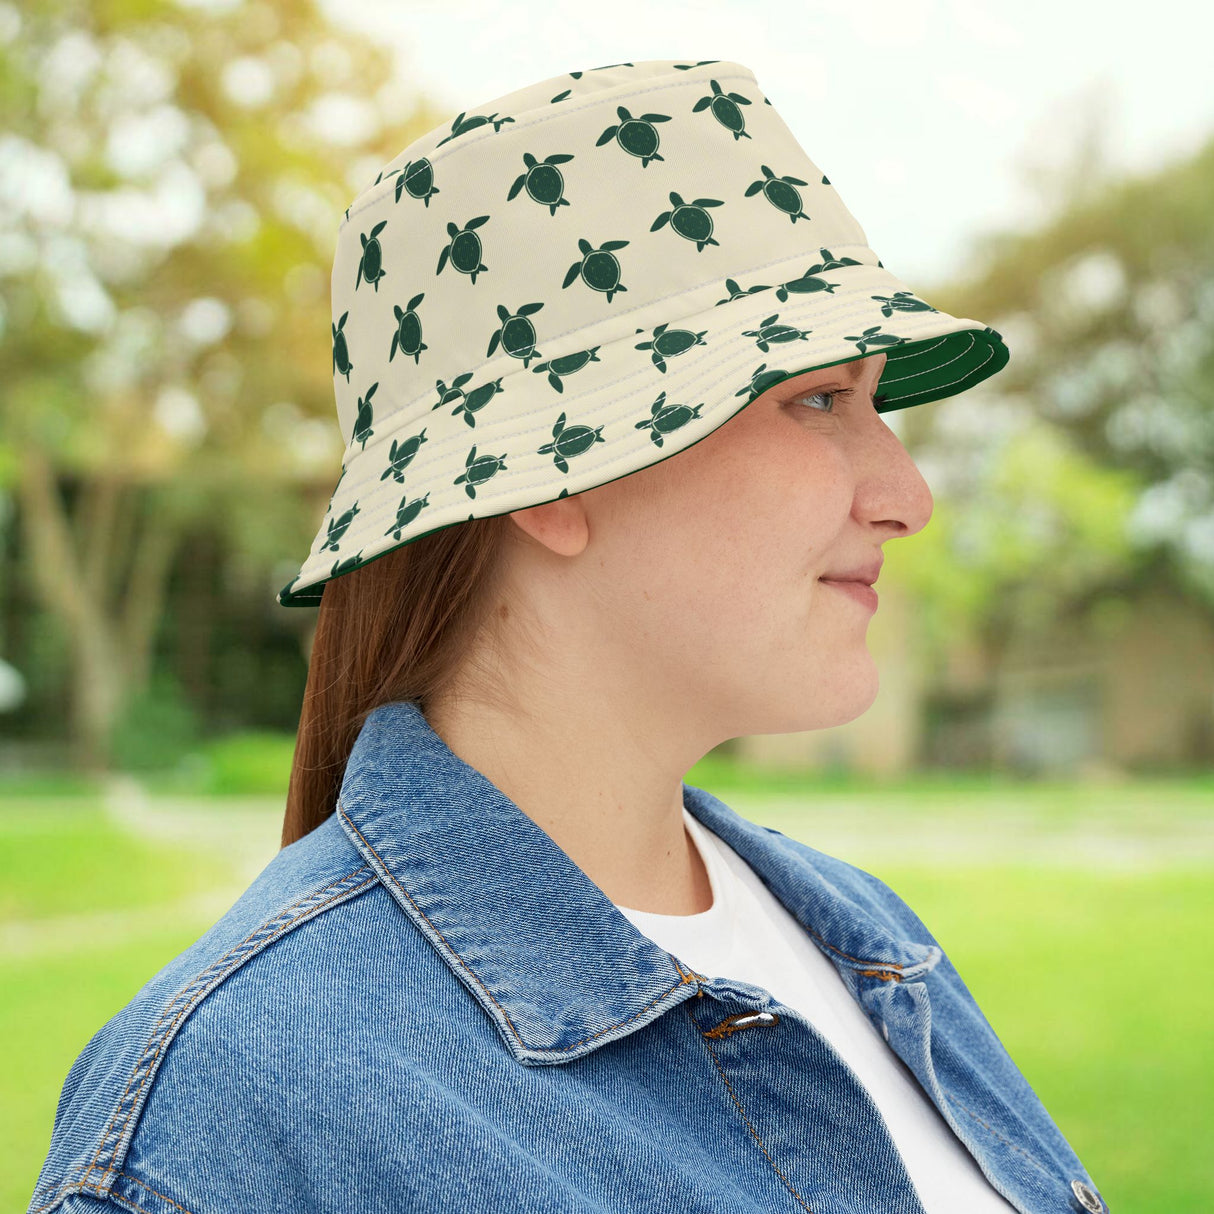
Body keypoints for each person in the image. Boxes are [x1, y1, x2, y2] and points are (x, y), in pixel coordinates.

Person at [28, 58, 1110, 1214]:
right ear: (549, 471)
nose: (906, 493)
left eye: (873, 402)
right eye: (816, 398)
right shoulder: (231, 1114)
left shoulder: (866, 936)